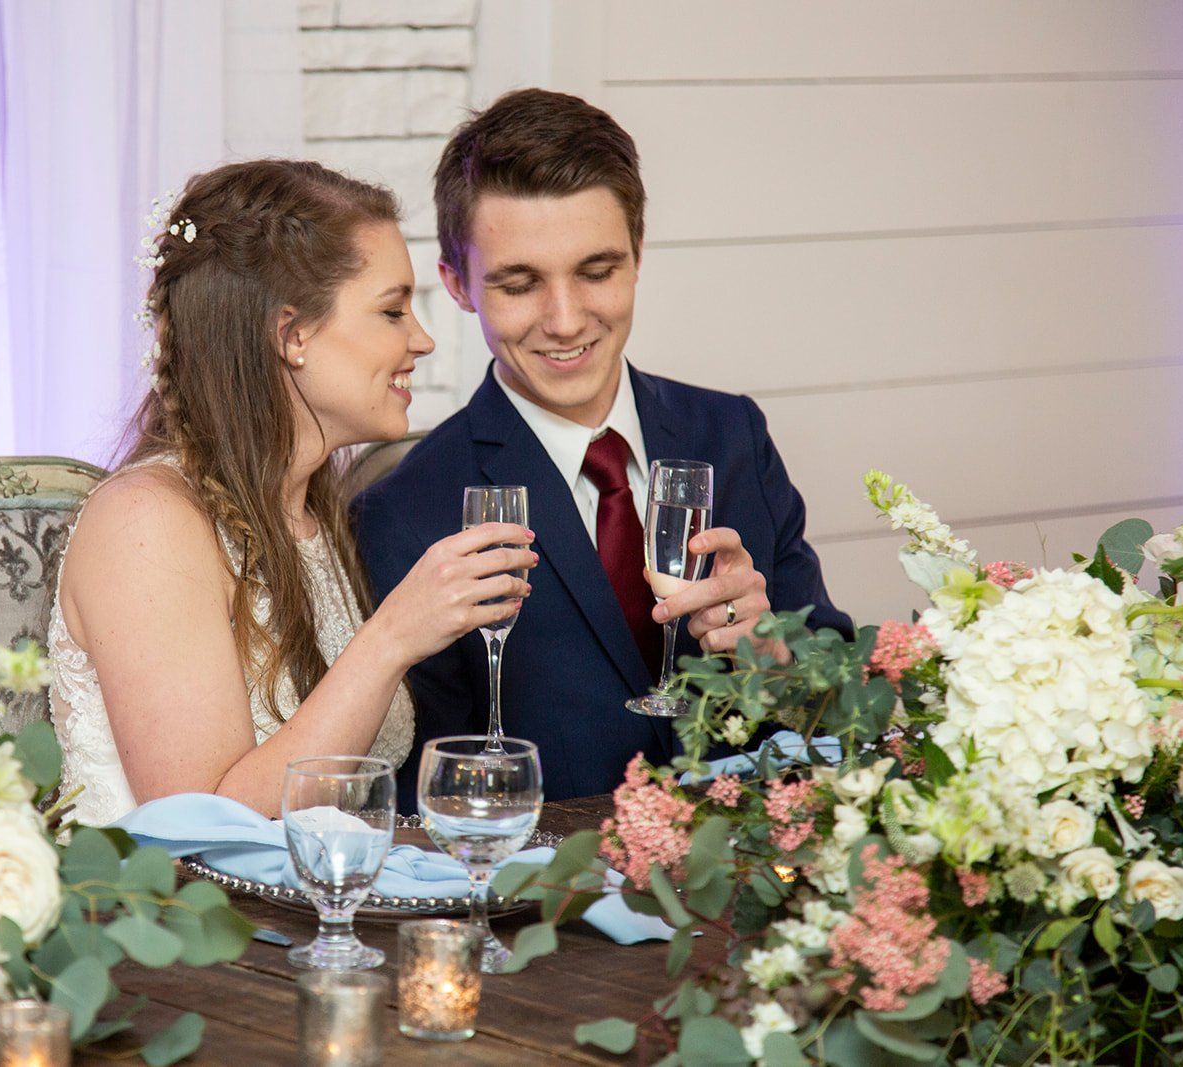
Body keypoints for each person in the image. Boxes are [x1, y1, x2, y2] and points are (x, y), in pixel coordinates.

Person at [354, 89, 852, 806]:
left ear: (638, 255)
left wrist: (774, 658)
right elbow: (426, 800)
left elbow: (841, 702)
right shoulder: (405, 511)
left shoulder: (733, 434)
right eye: (520, 283)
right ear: (458, 285)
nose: (565, 319)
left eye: (597, 271)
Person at [47, 160, 537, 824]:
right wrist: (393, 634)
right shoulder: (147, 522)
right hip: (183, 918)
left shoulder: (311, 511)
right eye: (392, 310)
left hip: (321, 913)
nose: (420, 340)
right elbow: (197, 825)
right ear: (292, 335)